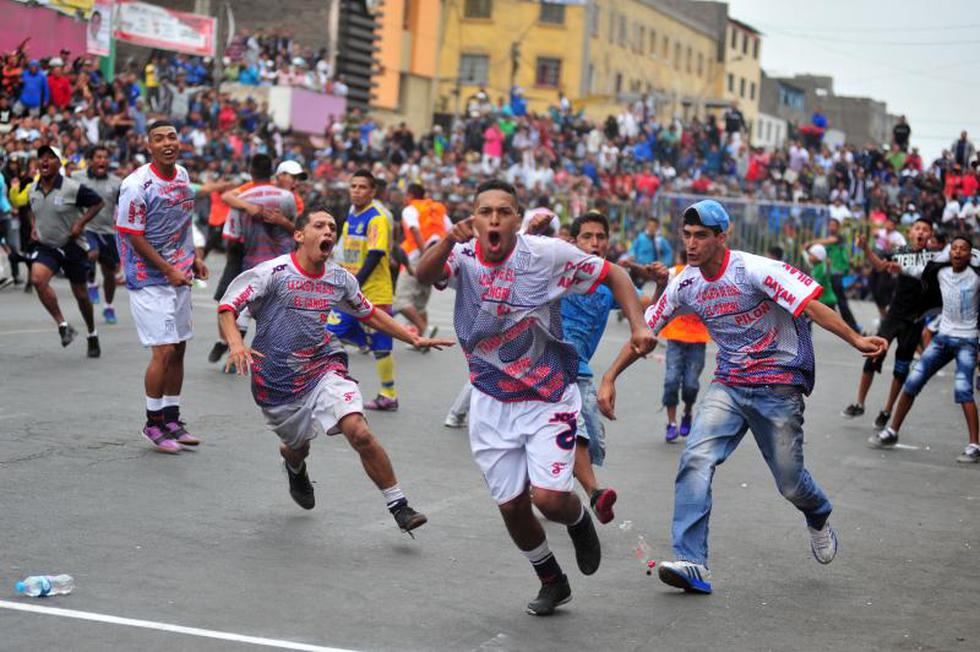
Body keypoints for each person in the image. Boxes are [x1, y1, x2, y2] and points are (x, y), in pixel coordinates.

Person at [598, 200, 886, 594]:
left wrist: (856, 339)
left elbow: (812, 306)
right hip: (730, 383)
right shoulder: (685, 283)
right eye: (687, 236)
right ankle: (692, 563)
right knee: (696, 458)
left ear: (722, 236)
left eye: (701, 236)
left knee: (790, 483)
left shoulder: (754, 270)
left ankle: (817, 513)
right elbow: (645, 333)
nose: (692, 244)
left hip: (778, 385)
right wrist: (610, 377)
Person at [415, 180, 653, 616]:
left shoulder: (546, 255)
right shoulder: (462, 253)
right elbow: (423, 275)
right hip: (490, 399)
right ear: (473, 216)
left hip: (547, 396)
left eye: (502, 212)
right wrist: (449, 237)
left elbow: (614, 274)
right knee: (511, 506)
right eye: (484, 211)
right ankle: (551, 579)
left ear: (517, 220)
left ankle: (579, 519)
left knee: (547, 498)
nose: (492, 219)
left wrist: (638, 325)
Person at [218, 209, 452, 526]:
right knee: (297, 448)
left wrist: (412, 338)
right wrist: (235, 343)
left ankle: (399, 505)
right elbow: (228, 307)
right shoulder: (273, 273)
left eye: (332, 227)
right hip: (277, 381)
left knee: (359, 430)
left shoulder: (339, 278)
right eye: (319, 225)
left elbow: (368, 312)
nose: (328, 231)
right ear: (299, 235)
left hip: (323, 366)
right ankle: (294, 465)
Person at [558, 210, 662, 524]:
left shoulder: (611, 284)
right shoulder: (557, 274)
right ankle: (595, 494)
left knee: (594, 442)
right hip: (552, 366)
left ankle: (546, 480)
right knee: (575, 429)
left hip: (583, 370)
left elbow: (647, 308)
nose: (594, 243)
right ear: (574, 242)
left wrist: (659, 284)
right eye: (587, 237)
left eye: (600, 237)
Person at [115, 120, 209, 453]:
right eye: (159, 139)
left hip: (179, 273)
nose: (167, 142)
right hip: (147, 276)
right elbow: (132, 235)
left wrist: (194, 257)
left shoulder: (182, 176)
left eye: (171, 136)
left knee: (180, 346)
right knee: (164, 350)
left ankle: (172, 419)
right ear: (149, 146)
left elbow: (184, 221)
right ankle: (152, 424)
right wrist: (168, 269)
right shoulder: (136, 185)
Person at [871, 235, 980, 463]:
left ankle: (974, 445)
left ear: (971, 255)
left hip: (967, 341)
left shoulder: (976, 277)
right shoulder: (940, 273)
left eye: (963, 249)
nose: (958, 253)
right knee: (912, 383)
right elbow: (914, 271)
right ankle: (892, 431)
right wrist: (893, 265)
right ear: (949, 253)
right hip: (942, 339)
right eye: (955, 248)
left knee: (963, 391)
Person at [842, 218, 935, 430]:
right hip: (894, 315)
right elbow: (879, 264)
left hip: (915, 320)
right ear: (910, 233)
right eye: (917, 228)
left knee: (901, 368)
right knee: (873, 355)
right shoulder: (900, 251)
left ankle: (887, 410)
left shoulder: (933, 259)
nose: (921, 232)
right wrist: (865, 248)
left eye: (925, 229)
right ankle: (859, 403)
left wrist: (901, 269)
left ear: (930, 235)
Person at [328, 169, 399, 411]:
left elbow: (376, 253)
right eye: (353, 186)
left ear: (372, 191)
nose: (357, 191)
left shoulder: (375, 217)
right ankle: (331, 384)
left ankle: (388, 394)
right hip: (352, 288)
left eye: (362, 187)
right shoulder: (351, 217)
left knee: (381, 344)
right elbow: (343, 251)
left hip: (373, 290)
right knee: (332, 332)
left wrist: (355, 283)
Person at [27, 145, 104, 356]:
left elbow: (98, 203)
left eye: (50, 157)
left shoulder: (72, 187)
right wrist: (34, 227)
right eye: (41, 157)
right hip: (47, 246)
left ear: (58, 163)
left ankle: (92, 333)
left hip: (71, 246)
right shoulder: (32, 189)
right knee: (38, 280)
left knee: (80, 295)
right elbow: (32, 209)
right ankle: (63, 325)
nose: (44, 161)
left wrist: (80, 223)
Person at [660, 251, 711, 443]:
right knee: (671, 380)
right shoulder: (676, 273)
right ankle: (671, 423)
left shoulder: (709, 277)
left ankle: (687, 412)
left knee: (691, 384)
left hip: (698, 339)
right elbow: (660, 276)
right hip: (675, 336)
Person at [393, 183, 449, 346]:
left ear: (410, 195)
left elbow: (415, 230)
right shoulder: (438, 209)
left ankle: (425, 330)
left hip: (418, 257)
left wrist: (425, 255)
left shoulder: (410, 209)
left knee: (402, 302)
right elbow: (450, 230)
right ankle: (419, 342)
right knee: (419, 303)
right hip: (436, 259)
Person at [72, 145, 121, 324]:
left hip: (108, 231)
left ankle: (109, 306)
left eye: (105, 157)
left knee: (110, 274)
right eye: (98, 157)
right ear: (91, 160)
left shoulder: (116, 182)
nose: (102, 160)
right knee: (92, 253)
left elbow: (122, 208)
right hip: (87, 227)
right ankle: (91, 283)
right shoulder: (78, 178)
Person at [804, 217, 859, 332]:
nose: (831, 227)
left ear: (838, 228)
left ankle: (853, 328)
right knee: (832, 304)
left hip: (836, 275)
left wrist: (811, 242)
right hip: (829, 276)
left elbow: (830, 241)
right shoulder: (826, 244)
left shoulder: (839, 238)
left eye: (834, 225)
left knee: (841, 303)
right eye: (830, 225)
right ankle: (851, 328)